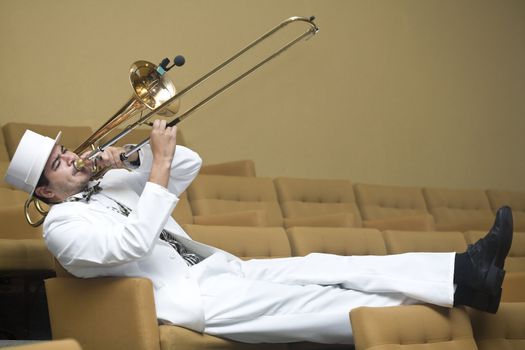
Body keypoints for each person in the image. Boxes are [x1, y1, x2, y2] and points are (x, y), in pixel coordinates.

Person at [4, 121, 513, 344]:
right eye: (57, 163)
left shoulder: (111, 180)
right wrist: (153, 166)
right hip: (199, 300)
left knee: (332, 266)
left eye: (64, 150)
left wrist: (135, 157)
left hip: (224, 268)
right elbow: (133, 243)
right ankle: (436, 318)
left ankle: (463, 273)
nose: (71, 156)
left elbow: (187, 163)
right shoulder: (63, 228)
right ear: (45, 192)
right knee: (326, 304)